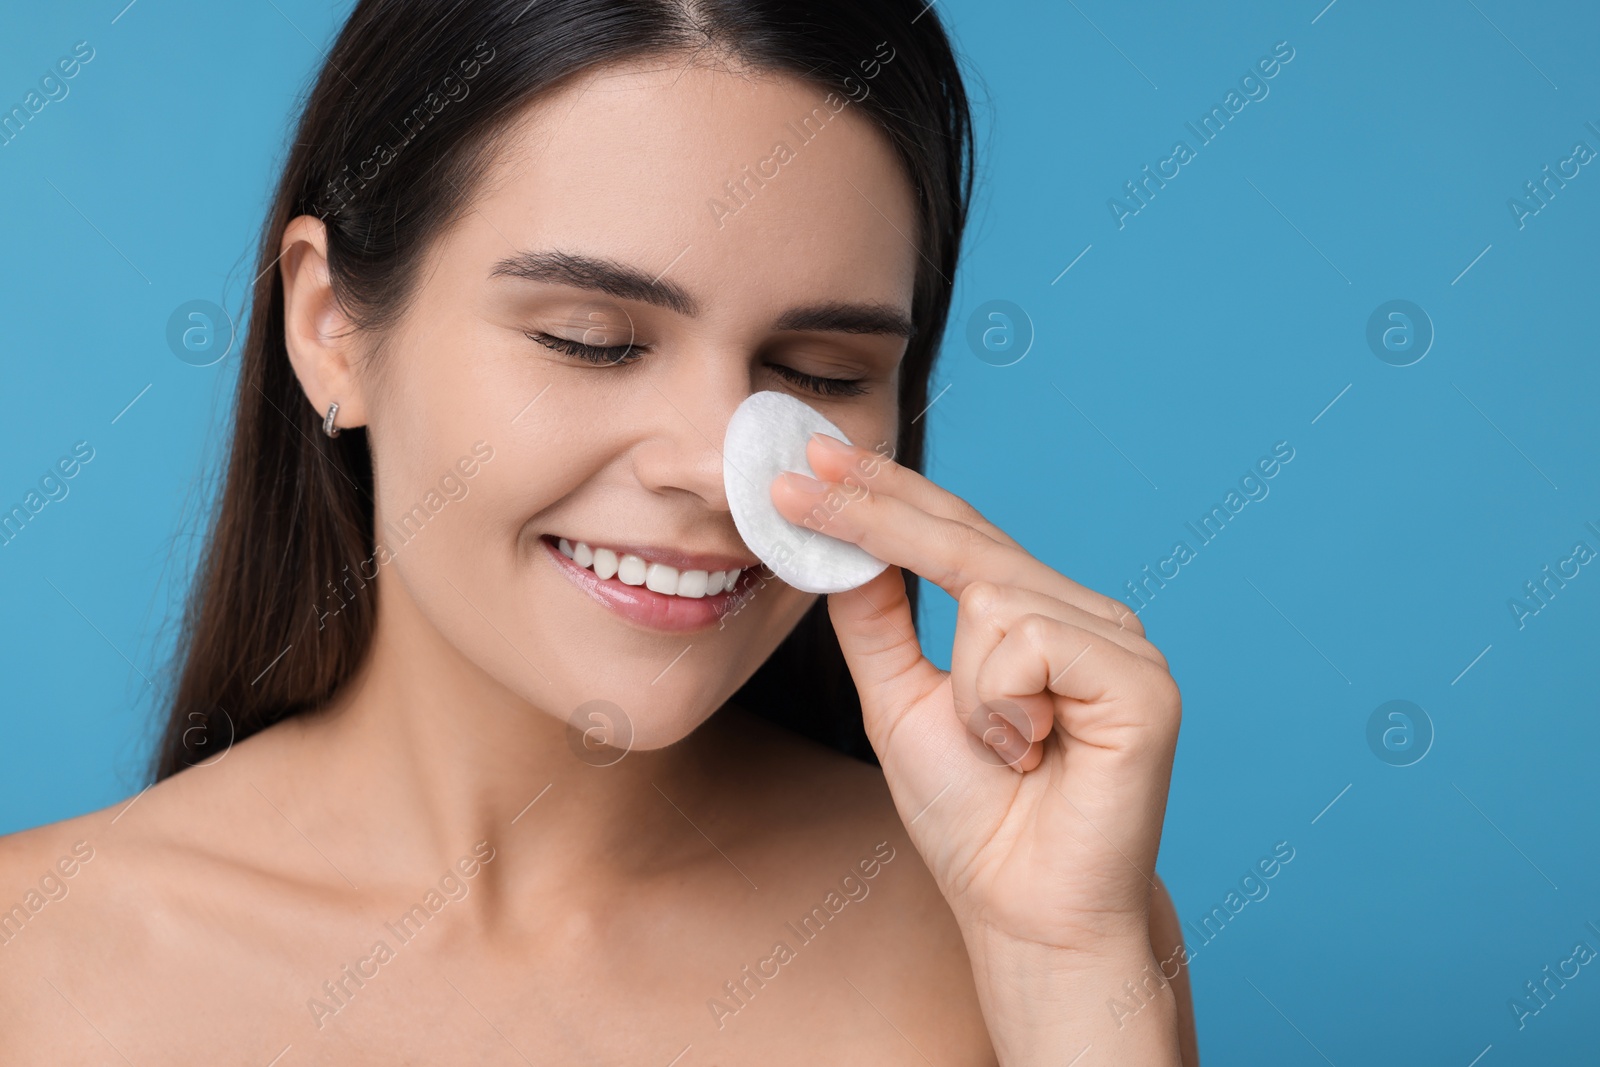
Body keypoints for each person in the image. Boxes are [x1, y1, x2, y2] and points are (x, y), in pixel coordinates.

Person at [0, 1, 1196, 1061]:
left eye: (820, 372)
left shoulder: (1018, 931)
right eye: (590, 339)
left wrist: (1070, 977)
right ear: (329, 328)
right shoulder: (31, 967)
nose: (714, 467)